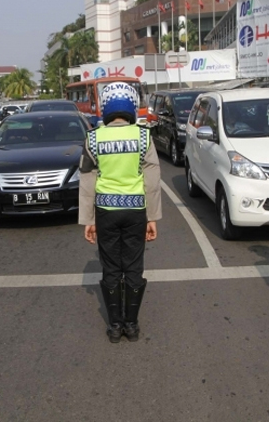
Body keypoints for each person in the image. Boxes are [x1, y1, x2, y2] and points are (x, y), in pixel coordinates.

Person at [79, 82, 162, 343]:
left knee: (111, 267)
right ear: (131, 106)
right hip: (136, 210)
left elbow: (87, 179)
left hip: (106, 211)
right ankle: (133, 326)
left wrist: (88, 220)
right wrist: (152, 218)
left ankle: (115, 326)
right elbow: (152, 180)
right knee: (134, 266)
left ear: (105, 107)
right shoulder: (143, 136)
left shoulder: (93, 138)